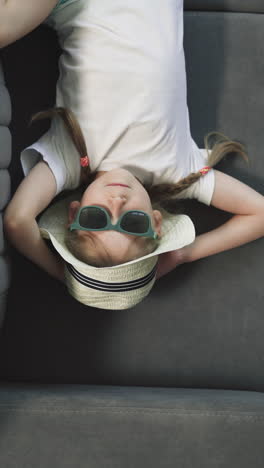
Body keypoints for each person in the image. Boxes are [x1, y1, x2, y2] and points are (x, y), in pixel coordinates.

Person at [2, 0, 264, 310]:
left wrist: (64, 275)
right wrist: (183, 254)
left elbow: (18, 221)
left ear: (75, 213)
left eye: (97, 218)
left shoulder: (69, 160)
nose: (117, 204)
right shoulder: (178, 171)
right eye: (134, 223)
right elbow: (259, 213)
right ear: (156, 223)